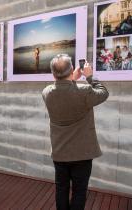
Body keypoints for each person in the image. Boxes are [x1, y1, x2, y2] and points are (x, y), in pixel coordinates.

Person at [42, 54, 109, 210]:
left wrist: (72, 79)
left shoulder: (46, 92)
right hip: (82, 153)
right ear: (72, 69)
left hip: (60, 153)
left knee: (61, 189)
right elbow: (103, 93)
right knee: (79, 191)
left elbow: (63, 91)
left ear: (53, 74)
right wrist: (90, 76)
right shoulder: (85, 91)